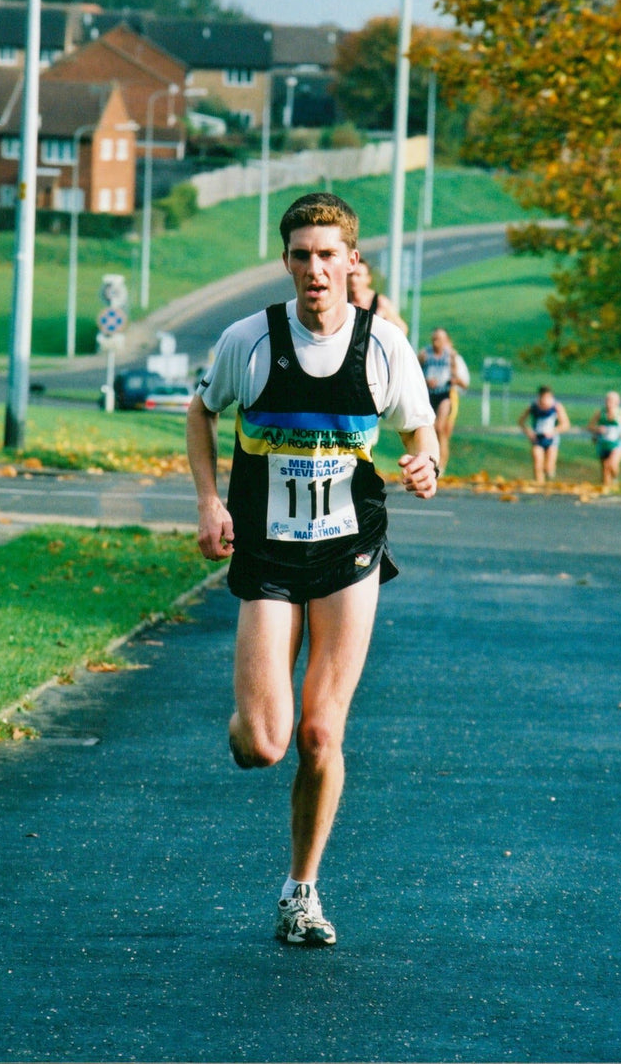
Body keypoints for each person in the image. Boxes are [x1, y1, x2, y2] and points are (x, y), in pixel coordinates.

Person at [186, 192, 439, 947]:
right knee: (265, 742)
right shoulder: (250, 341)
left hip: (347, 552)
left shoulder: (385, 346)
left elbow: (421, 430)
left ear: (352, 261)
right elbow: (200, 412)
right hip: (265, 551)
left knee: (321, 733)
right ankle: (245, 720)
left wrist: (426, 461)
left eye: (329, 255)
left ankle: (301, 891)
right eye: (301, 255)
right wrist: (207, 500)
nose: (315, 270)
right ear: (287, 261)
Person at [418, 328, 470, 475]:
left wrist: (454, 379)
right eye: (434, 339)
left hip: (445, 395)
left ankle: (441, 465)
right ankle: (430, 462)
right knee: (429, 429)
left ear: (446, 340)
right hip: (429, 395)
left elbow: (463, 382)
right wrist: (426, 381)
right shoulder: (424, 354)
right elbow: (414, 374)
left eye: (440, 339)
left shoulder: (452, 356)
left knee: (440, 428)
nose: (436, 342)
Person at [518, 386, 571, 483]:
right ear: (539, 397)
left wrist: (553, 431)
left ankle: (549, 480)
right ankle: (539, 486)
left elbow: (566, 424)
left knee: (548, 467)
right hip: (537, 438)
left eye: (548, 398)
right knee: (538, 464)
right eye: (543, 398)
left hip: (552, 439)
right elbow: (521, 422)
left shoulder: (556, 407)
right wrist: (529, 432)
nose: (546, 400)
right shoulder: (533, 406)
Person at [587, 391, 621, 489]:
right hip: (603, 443)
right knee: (605, 470)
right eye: (607, 399)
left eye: (612, 400)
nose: (609, 402)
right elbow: (590, 426)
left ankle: (615, 479)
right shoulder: (600, 412)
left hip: (617, 443)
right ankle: (607, 490)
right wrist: (597, 429)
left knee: (611, 464)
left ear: (617, 402)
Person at [347, 257, 408, 335]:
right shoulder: (342, 301)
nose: (353, 279)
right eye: (350, 275)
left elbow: (402, 328)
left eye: (358, 275)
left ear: (368, 279)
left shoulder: (380, 303)